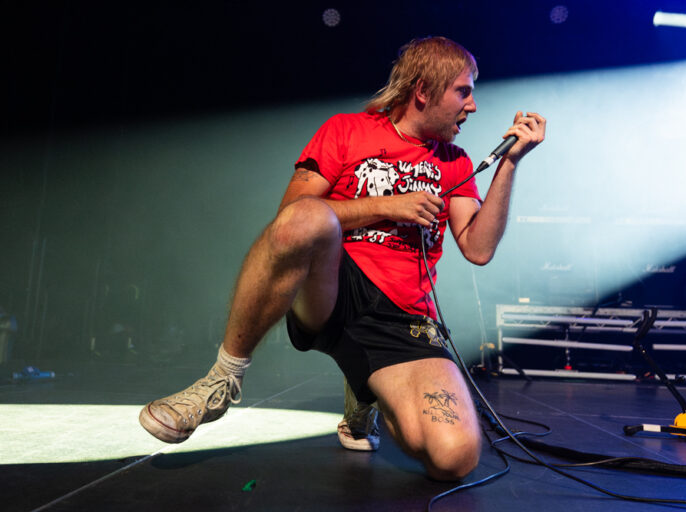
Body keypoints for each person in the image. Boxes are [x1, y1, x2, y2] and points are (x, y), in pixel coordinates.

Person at [139, 36, 545, 481]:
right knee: (305, 219)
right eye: (463, 92)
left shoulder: (456, 161)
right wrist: (388, 205)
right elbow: (291, 217)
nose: (472, 106)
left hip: (402, 317)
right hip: (333, 289)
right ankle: (222, 379)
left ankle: (367, 392)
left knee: (454, 457)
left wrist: (510, 163)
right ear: (424, 90)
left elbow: (479, 248)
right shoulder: (346, 130)